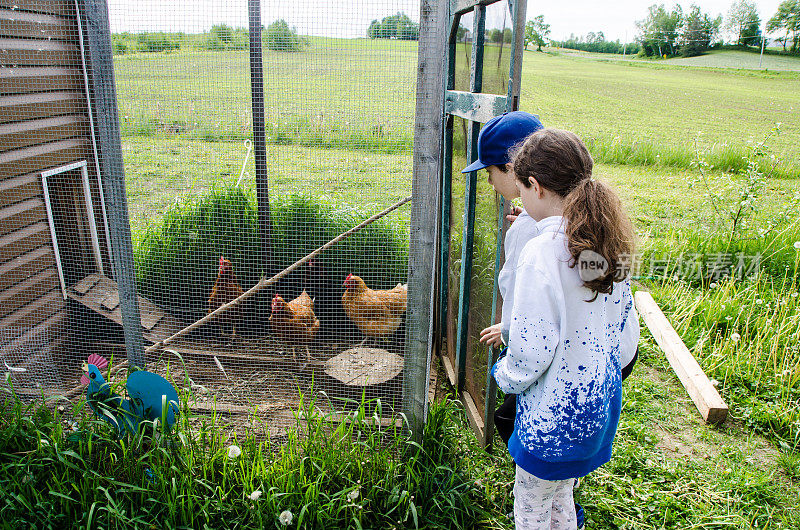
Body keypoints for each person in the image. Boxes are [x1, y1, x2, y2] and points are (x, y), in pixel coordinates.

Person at [492, 128, 640, 529]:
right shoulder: (607, 241)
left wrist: (504, 376)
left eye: (521, 188)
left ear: (535, 186)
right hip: (595, 412)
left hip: (550, 422)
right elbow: (627, 343)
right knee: (561, 500)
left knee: (532, 510)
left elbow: (530, 350)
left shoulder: (541, 251)